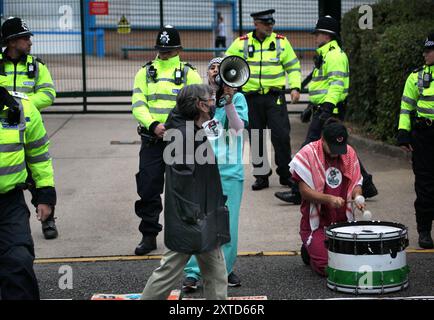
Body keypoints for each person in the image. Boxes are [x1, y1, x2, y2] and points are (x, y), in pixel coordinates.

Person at [274, 15, 378, 204]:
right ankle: (367, 184)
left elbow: (337, 85)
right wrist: (310, 107)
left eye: (318, 33)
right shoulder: (325, 54)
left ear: (327, 35)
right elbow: (321, 86)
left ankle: (298, 192)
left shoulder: (335, 56)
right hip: (323, 109)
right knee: (340, 148)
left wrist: (327, 108)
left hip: (329, 110)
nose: (315, 37)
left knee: (308, 149)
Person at [140, 84, 230, 300]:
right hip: (192, 219)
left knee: (216, 274)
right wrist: (195, 216)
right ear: (200, 105)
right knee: (168, 273)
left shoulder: (191, 127)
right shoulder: (185, 136)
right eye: (209, 99)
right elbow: (182, 184)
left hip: (202, 215)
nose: (213, 102)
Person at [131, 25, 202, 255]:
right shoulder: (145, 72)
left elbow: (198, 104)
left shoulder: (189, 73)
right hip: (152, 140)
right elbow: (138, 103)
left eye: (169, 51)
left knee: (183, 189)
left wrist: (175, 127)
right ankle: (149, 235)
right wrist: (153, 125)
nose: (164, 55)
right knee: (149, 188)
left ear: (178, 49)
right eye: (161, 50)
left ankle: (185, 234)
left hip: (180, 141)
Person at [182, 57, 248, 292]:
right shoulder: (198, 99)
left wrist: (228, 100)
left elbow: (238, 129)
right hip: (202, 170)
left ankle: (225, 270)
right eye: (211, 67)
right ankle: (192, 272)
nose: (215, 72)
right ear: (205, 73)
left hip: (230, 171)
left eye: (220, 68)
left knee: (227, 224)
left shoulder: (238, 98)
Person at [225, 9, 301, 191]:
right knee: (256, 137)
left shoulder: (281, 42)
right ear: (256, 24)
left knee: (281, 136)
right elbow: (227, 64)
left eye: (271, 23)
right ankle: (261, 176)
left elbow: (293, 66)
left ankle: (285, 174)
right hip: (251, 98)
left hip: (274, 97)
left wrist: (295, 87)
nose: (270, 26)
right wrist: (231, 85)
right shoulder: (241, 43)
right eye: (266, 23)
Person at [0, 17, 58, 239]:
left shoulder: (37, 66)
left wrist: (21, 105)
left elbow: (48, 94)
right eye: (25, 38)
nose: (30, 42)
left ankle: (48, 218)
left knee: (39, 172)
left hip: (29, 128)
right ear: (12, 42)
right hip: (5, 132)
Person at [0, 87, 56, 299]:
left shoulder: (21, 107)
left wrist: (45, 195)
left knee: (18, 260)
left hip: (9, 202)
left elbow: (38, 155)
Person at [289, 119, 364, 276]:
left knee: (355, 262)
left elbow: (357, 182)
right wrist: (329, 199)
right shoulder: (308, 153)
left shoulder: (349, 152)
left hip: (343, 222)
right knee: (329, 268)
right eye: (333, 148)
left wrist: (357, 196)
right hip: (318, 224)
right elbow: (304, 192)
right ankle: (310, 249)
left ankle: (317, 248)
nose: (337, 152)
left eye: (340, 148)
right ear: (323, 139)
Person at [397, 32, 434, 249]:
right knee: (425, 185)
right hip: (424, 136)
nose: (425, 53)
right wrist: (403, 133)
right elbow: (406, 107)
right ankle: (424, 231)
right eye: (425, 49)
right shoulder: (416, 76)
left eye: (429, 50)